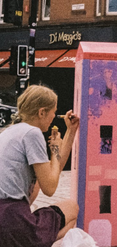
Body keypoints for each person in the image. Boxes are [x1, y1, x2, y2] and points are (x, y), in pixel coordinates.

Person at [0, 84, 80, 247]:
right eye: (53, 112)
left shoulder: (10, 131)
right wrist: (55, 149)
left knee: (35, 184)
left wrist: (70, 132)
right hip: (11, 219)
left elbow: (51, 173)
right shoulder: (32, 133)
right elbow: (50, 188)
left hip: (7, 218)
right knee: (71, 208)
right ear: (42, 112)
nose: (54, 117)